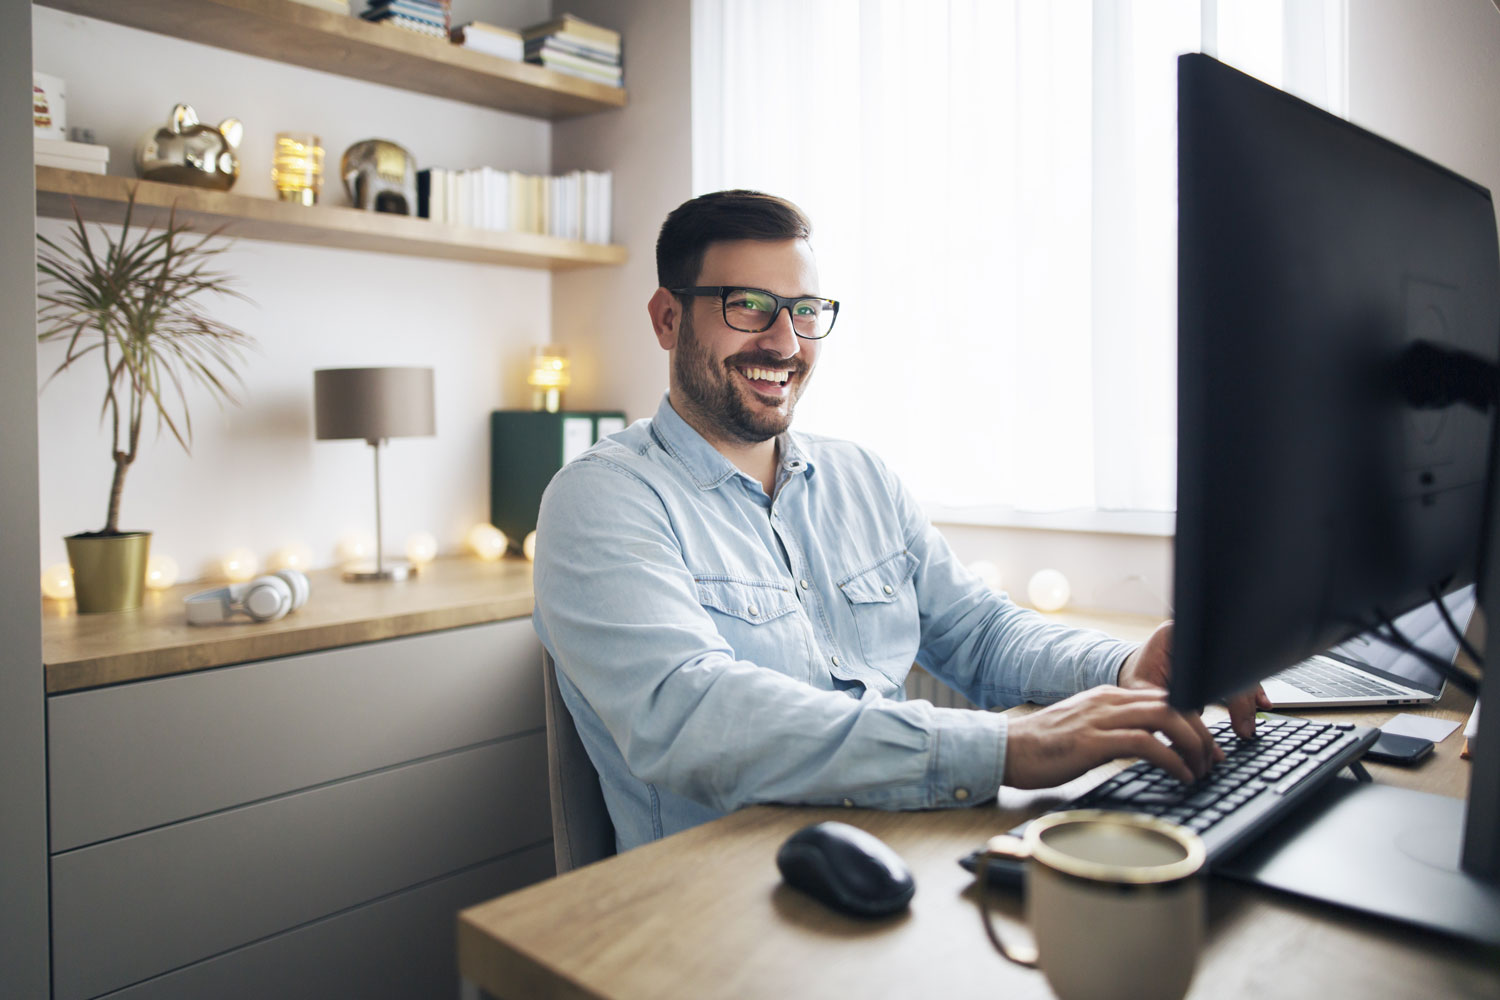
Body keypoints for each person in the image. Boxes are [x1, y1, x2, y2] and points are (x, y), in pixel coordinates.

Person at [532, 190, 1266, 852]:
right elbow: (693, 714)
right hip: (714, 895)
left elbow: (979, 632)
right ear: (668, 319)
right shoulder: (601, 499)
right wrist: (1007, 746)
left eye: (805, 311)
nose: (786, 343)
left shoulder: (862, 478)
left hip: (904, 845)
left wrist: (1124, 667)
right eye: (748, 305)